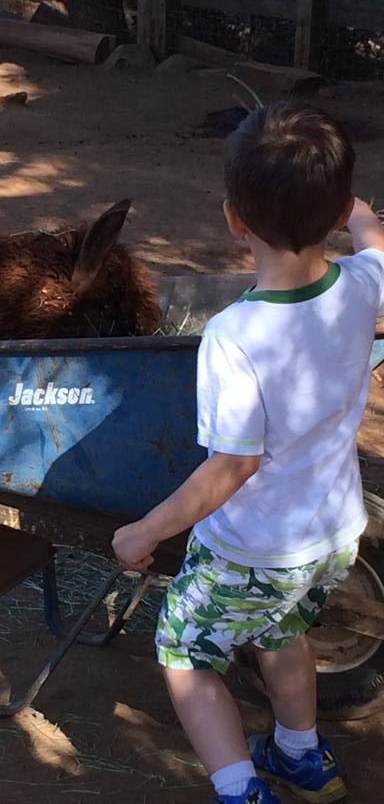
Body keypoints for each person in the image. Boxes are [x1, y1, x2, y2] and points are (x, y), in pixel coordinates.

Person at [113, 103, 384, 804]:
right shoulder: (360, 286)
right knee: (283, 624)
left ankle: (240, 790)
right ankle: (301, 755)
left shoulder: (234, 336)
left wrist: (145, 530)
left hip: (252, 548)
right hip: (332, 537)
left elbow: (232, 466)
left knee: (185, 653)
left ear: (234, 219)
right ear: (331, 213)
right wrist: (356, 213)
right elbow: (378, 244)